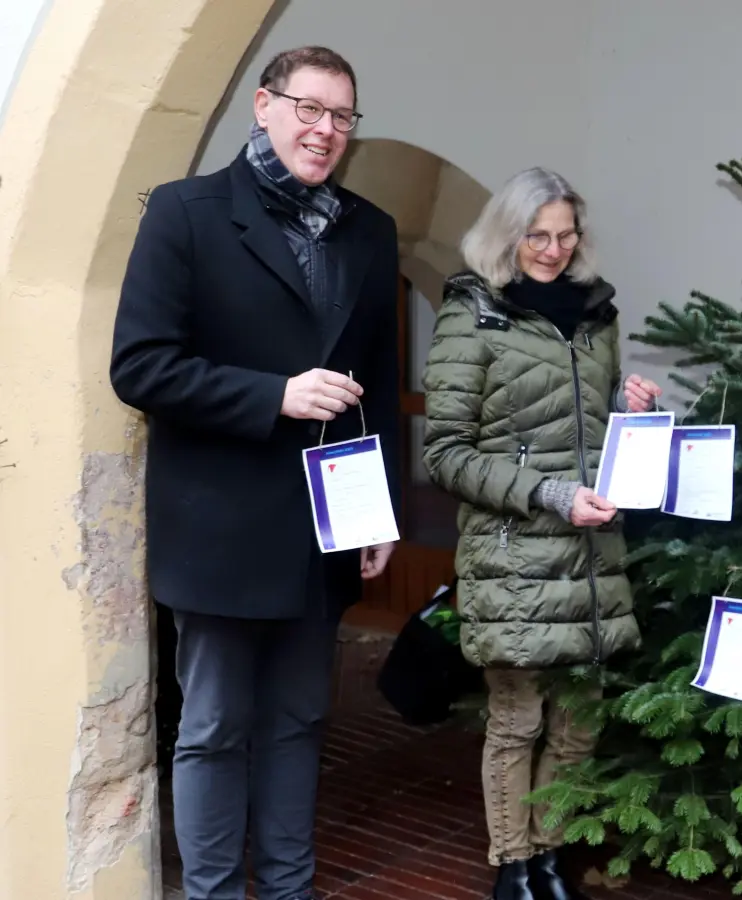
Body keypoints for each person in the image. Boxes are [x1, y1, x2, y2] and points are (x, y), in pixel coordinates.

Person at [109, 46, 400, 900]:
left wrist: (376, 512)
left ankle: (287, 889)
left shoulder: (370, 229)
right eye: (310, 109)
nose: (326, 130)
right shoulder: (185, 212)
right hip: (220, 527)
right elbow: (142, 368)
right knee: (213, 729)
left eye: (343, 116)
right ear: (263, 107)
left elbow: (375, 386)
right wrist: (274, 395)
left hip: (325, 527)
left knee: (301, 721)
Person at [421, 167, 658, 900]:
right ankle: (512, 864)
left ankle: (551, 853)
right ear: (507, 235)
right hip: (514, 553)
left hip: (590, 550)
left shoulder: (596, 315)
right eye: (537, 236)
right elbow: (445, 453)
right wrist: (548, 493)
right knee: (519, 717)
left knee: (580, 722)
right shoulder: (473, 314)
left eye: (564, 235)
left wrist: (631, 403)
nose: (553, 250)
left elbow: (581, 422)